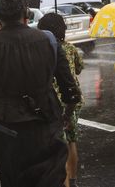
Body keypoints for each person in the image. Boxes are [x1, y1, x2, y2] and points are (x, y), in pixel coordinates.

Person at [0, 0, 82, 187]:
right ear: (26, 12)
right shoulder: (49, 40)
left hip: (4, 132)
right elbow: (70, 89)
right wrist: (66, 115)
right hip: (46, 127)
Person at [38, 13, 83, 187]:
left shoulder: (44, 50)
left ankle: (63, 182)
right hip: (74, 100)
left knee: (58, 145)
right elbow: (78, 69)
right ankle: (73, 181)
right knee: (72, 142)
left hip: (54, 101)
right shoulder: (71, 49)